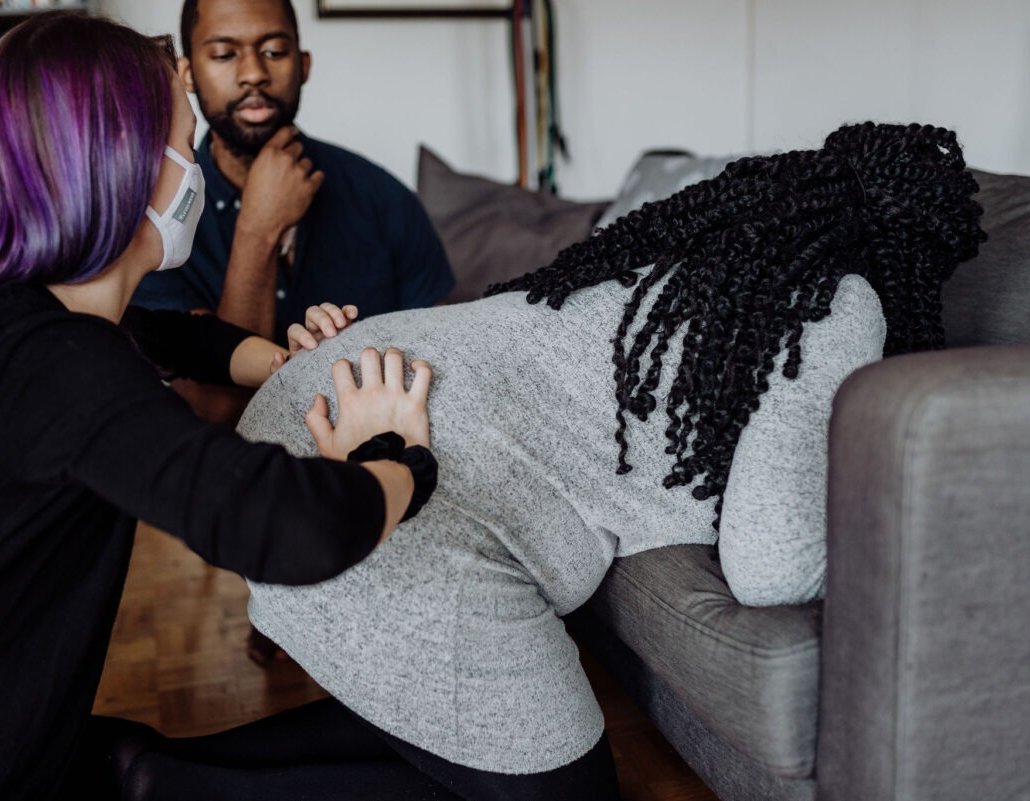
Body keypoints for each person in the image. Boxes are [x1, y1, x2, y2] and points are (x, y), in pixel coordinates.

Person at [223, 122, 986, 798]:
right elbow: (772, 568)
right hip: (371, 476)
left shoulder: (692, 255)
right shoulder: (840, 300)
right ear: (912, 247)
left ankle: (150, 767)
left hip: (317, 409)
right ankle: (159, 779)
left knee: (464, 729)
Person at [0, 13, 441, 801]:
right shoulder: (52, 362)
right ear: (126, 164)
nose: (196, 170)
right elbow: (285, 525)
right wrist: (401, 461)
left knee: (141, 757)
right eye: (186, 147)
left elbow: (166, 338)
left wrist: (289, 361)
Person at [132, 0, 455, 343]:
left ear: (303, 65)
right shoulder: (154, 220)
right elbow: (212, 398)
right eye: (225, 55)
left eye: (274, 51)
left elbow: (443, 357)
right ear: (188, 74)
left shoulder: (384, 199)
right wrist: (258, 230)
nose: (254, 73)